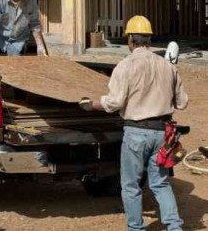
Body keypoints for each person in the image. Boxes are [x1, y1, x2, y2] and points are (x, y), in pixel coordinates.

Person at [79, 15, 188, 231]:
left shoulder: (125, 66)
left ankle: (136, 228)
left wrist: (91, 104)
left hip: (136, 133)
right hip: (162, 133)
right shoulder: (168, 67)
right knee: (161, 183)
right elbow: (183, 102)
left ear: (130, 39)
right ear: (148, 38)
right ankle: (174, 227)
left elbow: (114, 102)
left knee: (130, 186)